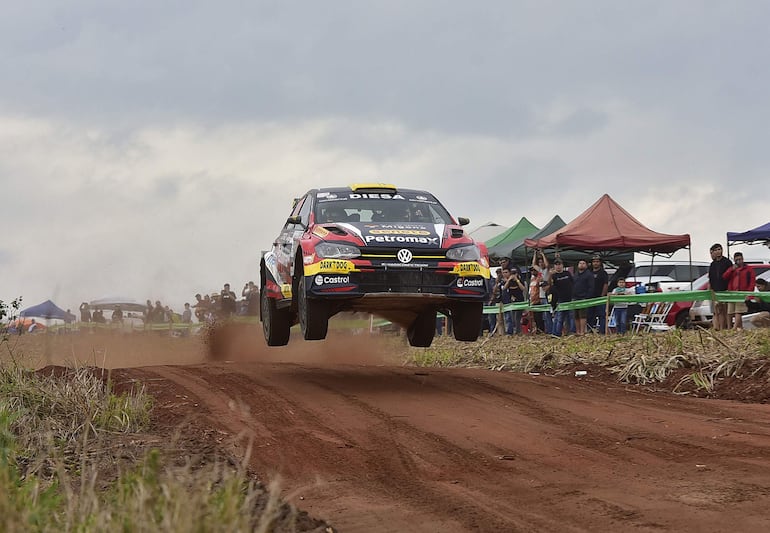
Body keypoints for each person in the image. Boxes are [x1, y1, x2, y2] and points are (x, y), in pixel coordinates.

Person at [722, 252, 756, 330]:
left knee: (738, 312)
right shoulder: (733, 269)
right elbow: (724, 276)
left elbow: (752, 282)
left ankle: (734, 328)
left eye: (740, 259)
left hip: (742, 293)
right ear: (734, 260)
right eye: (737, 260)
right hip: (732, 293)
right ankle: (738, 328)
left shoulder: (748, 269)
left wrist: (749, 293)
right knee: (730, 312)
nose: (738, 261)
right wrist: (731, 270)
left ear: (743, 259)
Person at [708, 243, 732, 330]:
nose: (718, 251)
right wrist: (711, 289)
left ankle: (726, 327)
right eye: (716, 250)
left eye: (719, 249)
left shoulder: (727, 262)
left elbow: (730, 276)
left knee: (725, 310)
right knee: (718, 310)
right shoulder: (713, 264)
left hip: (725, 289)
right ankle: (719, 328)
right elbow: (711, 277)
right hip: (715, 290)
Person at [549, 259, 574, 337]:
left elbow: (573, 283)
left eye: (559, 264)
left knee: (570, 316)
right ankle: (557, 333)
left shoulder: (567, 273)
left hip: (570, 297)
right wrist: (550, 275)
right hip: (560, 298)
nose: (558, 266)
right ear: (554, 266)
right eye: (556, 265)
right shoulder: (553, 276)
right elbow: (549, 285)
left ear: (562, 265)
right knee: (560, 317)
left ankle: (571, 332)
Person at [531, 250, 552, 335]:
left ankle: (550, 330)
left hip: (547, 294)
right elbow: (533, 264)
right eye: (539, 262)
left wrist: (543, 254)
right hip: (541, 295)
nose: (541, 264)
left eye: (542, 262)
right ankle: (547, 330)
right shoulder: (540, 271)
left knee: (548, 314)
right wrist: (535, 254)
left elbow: (547, 265)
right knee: (544, 315)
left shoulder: (547, 270)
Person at [572, 259, 595, 335]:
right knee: (576, 315)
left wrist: (587, 297)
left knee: (582, 315)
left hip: (583, 298)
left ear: (586, 265)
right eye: (580, 263)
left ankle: (582, 331)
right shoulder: (575, 274)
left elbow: (591, 287)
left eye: (583, 263)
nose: (581, 264)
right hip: (575, 297)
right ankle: (577, 331)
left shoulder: (589, 274)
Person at [588, 255, 609, 334]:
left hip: (600, 297)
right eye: (594, 262)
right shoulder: (589, 273)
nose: (595, 263)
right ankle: (590, 330)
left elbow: (605, 284)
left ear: (600, 263)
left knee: (601, 315)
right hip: (590, 297)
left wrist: (602, 295)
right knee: (590, 315)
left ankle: (602, 331)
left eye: (597, 262)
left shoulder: (603, 273)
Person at [506, 266, 526, 334]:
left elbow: (523, 288)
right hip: (512, 302)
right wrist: (509, 280)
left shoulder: (520, 280)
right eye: (512, 273)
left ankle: (518, 331)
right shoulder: (510, 281)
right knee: (512, 317)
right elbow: (504, 288)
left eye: (514, 273)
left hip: (519, 301)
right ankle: (515, 330)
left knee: (517, 317)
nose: (513, 275)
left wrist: (517, 280)